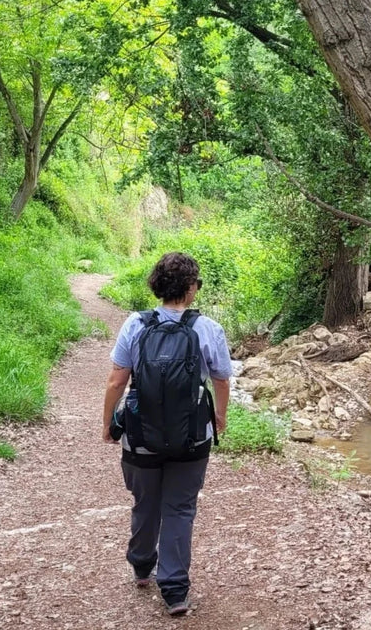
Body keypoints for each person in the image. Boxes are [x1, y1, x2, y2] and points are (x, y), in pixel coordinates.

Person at [102, 251, 231, 616]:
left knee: (145, 501)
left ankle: (142, 565)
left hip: (141, 437)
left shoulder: (135, 324)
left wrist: (108, 423)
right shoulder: (207, 328)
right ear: (190, 289)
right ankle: (174, 589)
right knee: (180, 508)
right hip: (192, 437)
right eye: (197, 284)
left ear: (157, 286)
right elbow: (221, 379)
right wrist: (219, 417)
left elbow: (116, 381)